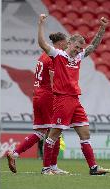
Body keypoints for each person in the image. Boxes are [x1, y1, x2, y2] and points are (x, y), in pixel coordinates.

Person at [38, 14, 110, 175]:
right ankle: (46, 168)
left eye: (80, 48)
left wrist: (102, 28)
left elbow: (93, 46)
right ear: (69, 43)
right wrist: (41, 24)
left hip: (75, 100)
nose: (78, 50)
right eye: (76, 47)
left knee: (85, 133)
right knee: (54, 135)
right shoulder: (58, 55)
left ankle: (93, 168)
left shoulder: (78, 57)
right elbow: (42, 43)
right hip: (62, 99)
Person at [6, 32, 69, 174]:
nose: (67, 45)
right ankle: (49, 167)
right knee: (55, 131)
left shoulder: (42, 56)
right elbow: (54, 82)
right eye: (66, 42)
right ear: (59, 43)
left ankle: (14, 154)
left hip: (37, 96)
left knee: (41, 133)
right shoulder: (53, 58)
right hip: (48, 96)